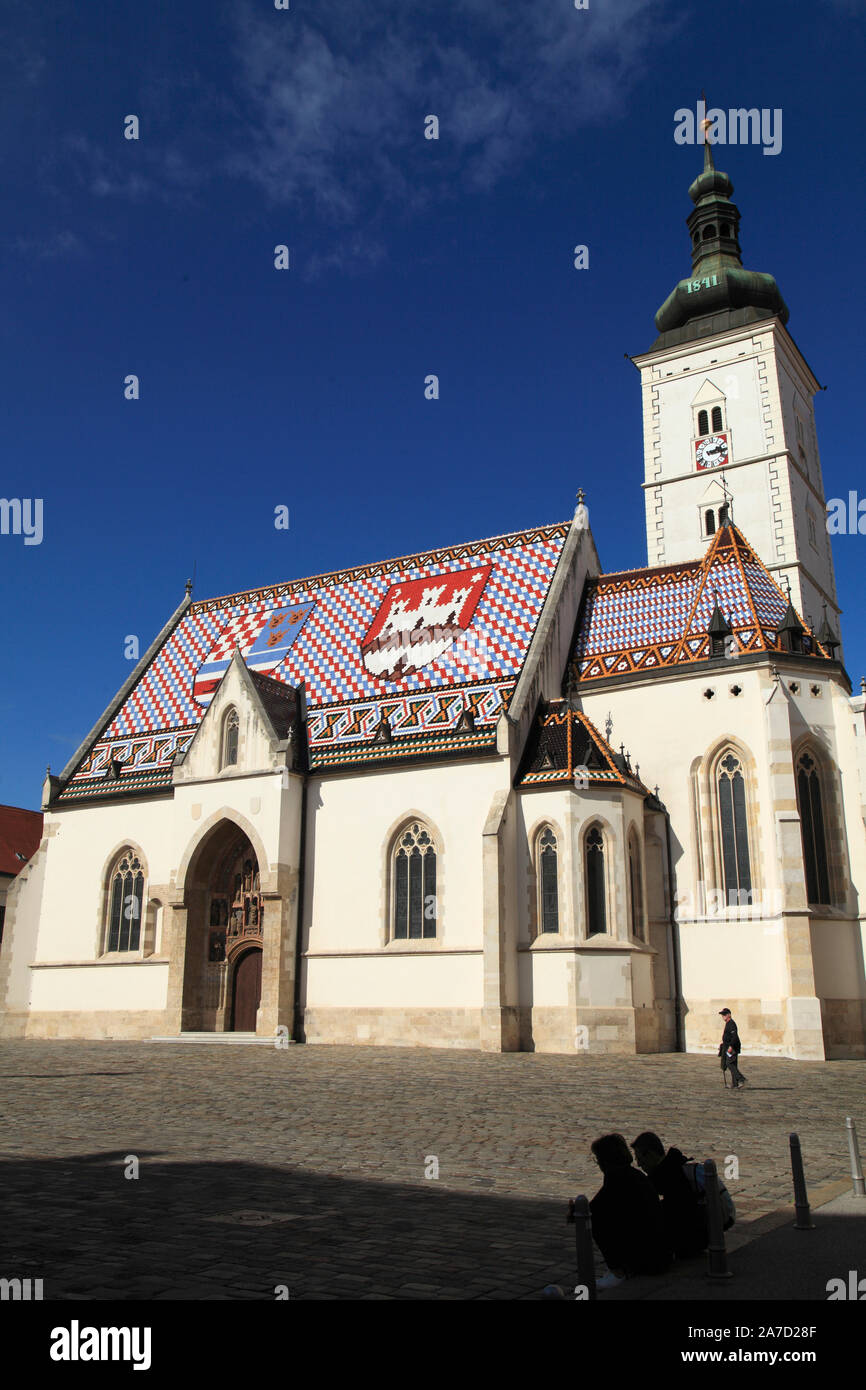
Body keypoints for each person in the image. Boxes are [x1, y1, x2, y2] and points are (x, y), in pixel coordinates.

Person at [587, 1133, 671, 1288]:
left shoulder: (618, 1180)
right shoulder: (634, 1176)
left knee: (600, 1221)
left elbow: (596, 1209)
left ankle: (619, 1270)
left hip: (645, 1259)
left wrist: (579, 1212)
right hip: (660, 1253)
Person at [631, 1131, 708, 1258]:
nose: (639, 1164)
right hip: (699, 1235)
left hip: (690, 1240)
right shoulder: (675, 1165)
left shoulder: (666, 1177)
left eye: (640, 1159)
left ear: (650, 1155)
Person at [718, 1008, 747, 1088]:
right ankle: (735, 1084)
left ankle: (741, 1079)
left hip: (732, 1048)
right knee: (733, 1064)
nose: (723, 1016)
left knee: (729, 1063)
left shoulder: (731, 1023)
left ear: (729, 1015)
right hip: (727, 1047)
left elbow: (734, 1037)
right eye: (722, 1015)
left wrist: (731, 1046)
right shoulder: (728, 1023)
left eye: (724, 1015)